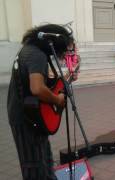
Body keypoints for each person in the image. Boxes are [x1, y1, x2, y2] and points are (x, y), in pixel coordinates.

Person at [7, 24, 74, 179]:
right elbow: (37, 88)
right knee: (35, 166)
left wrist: (64, 80)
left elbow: (37, 82)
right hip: (25, 119)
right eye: (62, 50)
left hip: (30, 115)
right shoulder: (37, 55)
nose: (62, 54)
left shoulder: (31, 50)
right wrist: (57, 99)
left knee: (43, 161)